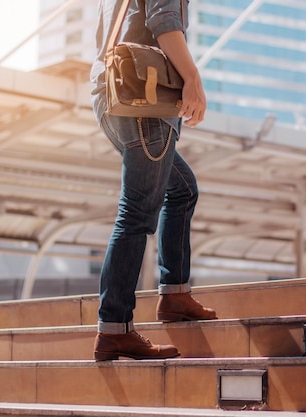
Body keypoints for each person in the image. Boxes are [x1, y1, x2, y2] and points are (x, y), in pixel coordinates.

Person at [89, 0, 217, 361]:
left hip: (110, 94)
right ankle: (114, 328)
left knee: (182, 189)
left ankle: (174, 294)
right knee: (136, 215)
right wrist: (192, 78)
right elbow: (163, 20)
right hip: (144, 101)